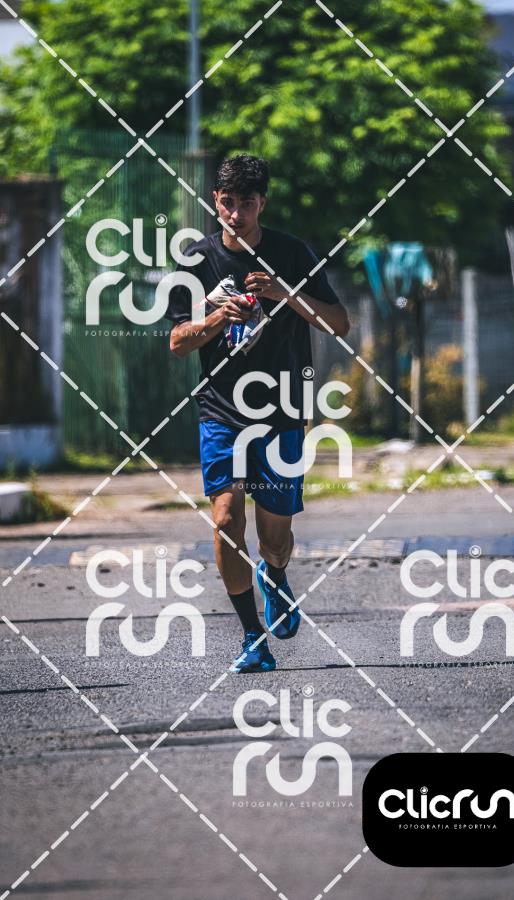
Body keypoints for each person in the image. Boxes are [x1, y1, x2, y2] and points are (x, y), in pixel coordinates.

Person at [166, 154, 350, 673]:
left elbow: (339, 324)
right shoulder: (195, 262)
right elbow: (178, 342)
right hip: (221, 412)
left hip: (282, 411)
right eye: (227, 202)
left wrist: (284, 292)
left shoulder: (292, 253)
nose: (235, 213)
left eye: (246, 203)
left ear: (261, 204)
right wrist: (216, 316)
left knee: (275, 536)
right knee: (226, 518)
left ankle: (276, 575)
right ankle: (252, 637)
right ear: (215, 201)